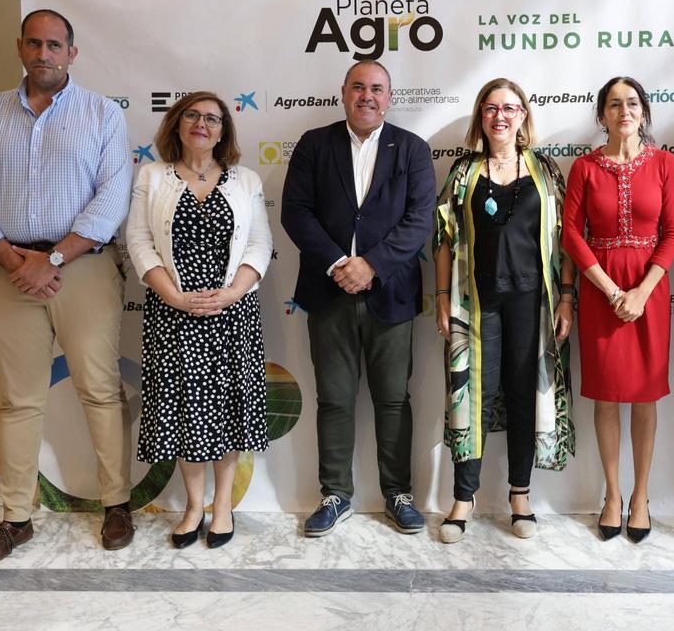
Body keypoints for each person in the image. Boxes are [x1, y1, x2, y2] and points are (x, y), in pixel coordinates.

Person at [0, 9, 134, 567]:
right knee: (19, 399)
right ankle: (14, 519)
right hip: (7, 269)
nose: (44, 53)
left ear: (72, 53)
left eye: (54, 45)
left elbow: (111, 199)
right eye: (34, 44)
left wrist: (52, 257)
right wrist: (17, 260)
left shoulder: (102, 114)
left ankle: (117, 505)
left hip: (80, 267)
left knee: (100, 389)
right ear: (20, 48)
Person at [280, 60, 436, 537]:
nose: (367, 96)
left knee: (394, 399)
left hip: (391, 293)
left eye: (377, 89)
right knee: (335, 399)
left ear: (389, 98)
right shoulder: (313, 144)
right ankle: (335, 495)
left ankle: (399, 495)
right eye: (358, 87)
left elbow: (419, 219)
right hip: (328, 293)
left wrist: (371, 265)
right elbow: (296, 213)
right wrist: (338, 265)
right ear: (343, 92)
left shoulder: (411, 148)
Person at [125, 91, 273, 549]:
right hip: (174, 314)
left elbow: (259, 244)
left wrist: (230, 294)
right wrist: (174, 296)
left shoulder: (245, 179)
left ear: (224, 130)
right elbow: (139, 240)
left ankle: (223, 505)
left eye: (212, 118)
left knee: (226, 411)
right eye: (192, 115)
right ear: (177, 122)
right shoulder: (152, 176)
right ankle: (193, 506)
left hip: (232, 315)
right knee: (184, 411)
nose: (202, 124)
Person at [433, 78, 577, 543]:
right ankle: (463, 498)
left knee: (522, 394)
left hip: (533, 304)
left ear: (523, 118)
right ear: (481, 117)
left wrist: (568, 297)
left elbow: (567, 239)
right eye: (492, 108)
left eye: (510, 108)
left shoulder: (545, 170)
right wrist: (439, 299)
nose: (501, 116)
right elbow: (444, 238)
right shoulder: (463, 172)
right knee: (470, 397)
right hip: (474, 305)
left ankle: (520, 496)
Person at [561, 76, 674, 543]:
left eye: (632, 103)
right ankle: (612, 495)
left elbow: (673, 234)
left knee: (646, 397)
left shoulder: (666, 164)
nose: (624, 111)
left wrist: (642, 292)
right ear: (601, 115)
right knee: (607, 395)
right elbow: (572, 235)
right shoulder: (585, 168)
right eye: (614, 104)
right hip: (600, 287)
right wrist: (612, 291)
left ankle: (641, 496)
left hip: (649, 290)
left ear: (644, 112)